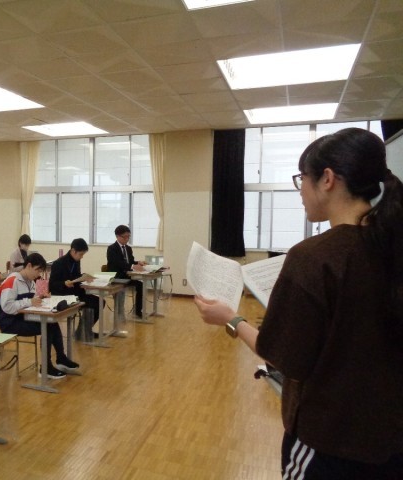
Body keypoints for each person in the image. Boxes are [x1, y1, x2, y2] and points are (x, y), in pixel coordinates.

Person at [194, 128, 403, 479]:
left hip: (330, 443)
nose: (300, 191)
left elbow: (281, 356)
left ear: (328, 179)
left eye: (301, 179)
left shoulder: (315, 257)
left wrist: (230, 318)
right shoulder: (391, 245)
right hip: (388, 439)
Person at [0, 252, 79, 378]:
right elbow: (7, 306)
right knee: (47, 326)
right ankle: (46, 367)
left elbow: (32, 301)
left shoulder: (30, 282)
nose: (38, 274)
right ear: (29, 266)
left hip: (23, 317)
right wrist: (30, 301)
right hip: (9, 322)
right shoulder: (12, 281)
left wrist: (41, 298)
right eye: (37, 270)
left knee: (52, 323)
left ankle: (61, 358)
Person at [49, 238, 100, 340]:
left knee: (99, 302)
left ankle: (83, 330)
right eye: (81, 254)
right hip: (64, 295)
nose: (81, 257)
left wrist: (84, 278)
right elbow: (52, 285)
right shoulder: (59, 263)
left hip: (76, 292)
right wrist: (64, 283)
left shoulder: (76, 261)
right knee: (93, 303)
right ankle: (82, 331)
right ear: (73, 251)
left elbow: (76, 277)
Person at [106, 225, 146, 318]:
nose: (127, 239)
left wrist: (138, 262)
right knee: (121, 288)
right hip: (116, 277)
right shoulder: (111, 249)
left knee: (140, 285)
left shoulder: (128, 248)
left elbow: (130, 262)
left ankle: (137, 311)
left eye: (128, 236)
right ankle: (119, 314)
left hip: (126, 276)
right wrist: (133, 266)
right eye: (125, 237)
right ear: (117, 236)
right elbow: (118, 263)